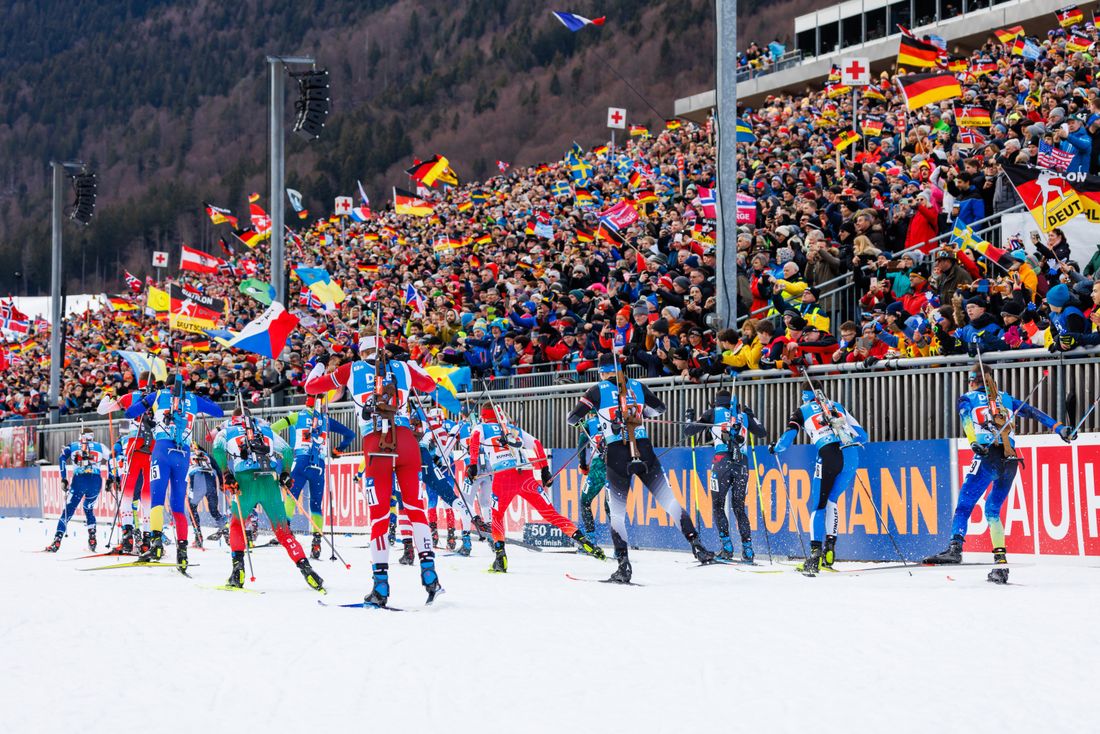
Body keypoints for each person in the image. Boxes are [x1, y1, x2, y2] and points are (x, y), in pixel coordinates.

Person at [303, 329, 443, 607]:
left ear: (360, 350)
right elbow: (429, 385)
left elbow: (311, 388)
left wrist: (318, 363)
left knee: (379, 516)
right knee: (415, 507)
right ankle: (430, 576)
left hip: (375, 441)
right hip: (405, 440)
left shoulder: (350, 369)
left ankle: (381, 585)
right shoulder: (402, 366)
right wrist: (411, 363)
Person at [566, 353, 715, 583]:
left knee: (616, 512)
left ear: (603, 372)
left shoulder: (597, 389)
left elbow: (573, 417)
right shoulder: (637, 386)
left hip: (616, 451)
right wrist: (641, 411)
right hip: (643, 448)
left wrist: (589, 418)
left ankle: (623, 565)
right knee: (669, 499)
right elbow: (660, 408)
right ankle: (696, 544)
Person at [923, 364, 1074, 584]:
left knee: (965, 504)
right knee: (992, 510)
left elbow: (966, 421)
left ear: (973, 380)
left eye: (970, 380)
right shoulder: (1005, 398)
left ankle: (955, 548)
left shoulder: (967, 397)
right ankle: (1001, 564)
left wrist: (974, 442)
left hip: (988, 455)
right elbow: (1033, 412)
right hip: (1011, 460)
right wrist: (1059, 427)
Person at [468, 403, 604, 572]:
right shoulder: (512, 428)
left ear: (483, 416)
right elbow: (537, 443)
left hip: (504, 476)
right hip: (526, 474)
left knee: (497, 517)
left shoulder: (480, 427)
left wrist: (472, 465)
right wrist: (545, 470)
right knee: (551, 514)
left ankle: (500, 557)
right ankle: (585, 542)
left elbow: (474, 442)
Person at [212, 407, 325, 591]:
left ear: (234, 418)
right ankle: (307, 570)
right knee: (283, 532)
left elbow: (217, 449)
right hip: (269, 479)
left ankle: (238, 570)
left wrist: (226, 473)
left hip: (244, 481)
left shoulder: (228, 429)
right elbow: (287, 451)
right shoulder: (265, 429)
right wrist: (286, 473)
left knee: (236, 524)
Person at [124, 374, 224, 570]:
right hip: (183, 454)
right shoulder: (193, 399)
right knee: (178, 506)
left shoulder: (158, 394)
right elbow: (218, 412)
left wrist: (145, 400)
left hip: (161, 452)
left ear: (167, 385)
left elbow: (129, 413)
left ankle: (156, 545)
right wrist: (204, 398)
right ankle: (183, 552)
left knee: (157, 501)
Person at [771, 386, 867, 576]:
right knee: (832, 500)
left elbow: (787, 439)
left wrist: (775, 447)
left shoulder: (802, 410)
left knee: (819, 505)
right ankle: (830, 551)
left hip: (828, 454)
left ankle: (815, 555)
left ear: (804, 397)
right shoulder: (835, 405)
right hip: (851, 453)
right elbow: (863, 436)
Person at [684, 390, 767, 562]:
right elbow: (762, 432)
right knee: (739, 507)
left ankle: (727, 547)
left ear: (716, 402)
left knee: (718, 505)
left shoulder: (713, 413)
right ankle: (748, 550)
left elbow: (689, 431)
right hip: (742, 464)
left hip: (722, 461)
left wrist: (689, 418)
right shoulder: (742, 415)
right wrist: (753, 416)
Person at [270, 397, 355, 559]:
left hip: (300, 461)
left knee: (291, 496)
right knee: (316, 504)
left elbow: (272, 429)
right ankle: (317, 543)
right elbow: (350, 435)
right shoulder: (326, 419)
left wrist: (283, 448)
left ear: (306, 403)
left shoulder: (297, 416)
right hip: (319, 467)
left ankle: (286, 532)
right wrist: (338, 450)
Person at [46, 427, 115, 553]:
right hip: (96, 481)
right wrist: (110, 478)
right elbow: (112, 458)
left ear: (81, 436)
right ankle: (92, 538)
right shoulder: (100, 446)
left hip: (79, 480)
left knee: (68, 510)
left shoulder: (72, 445)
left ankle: (57, 540)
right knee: (88, 508)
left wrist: (63, 478)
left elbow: (61, 458)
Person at [576, 416, 607, 542]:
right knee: (611, 505)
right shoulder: (618, 417)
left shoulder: (590, 422)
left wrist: (583, 465)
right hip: (619, 465)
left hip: (598, 467)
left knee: (585, 501)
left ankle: (591, 539)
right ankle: (620, 546)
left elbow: (581, 447)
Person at [186, 445, 223, 547]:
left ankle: (198, 537)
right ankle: (226, 529)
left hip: (197, 480)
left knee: (192, 508)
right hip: (210, 480)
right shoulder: (207, 455)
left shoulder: (186, 454)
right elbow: (218, 469)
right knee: (214, 511)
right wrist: (221, 484)